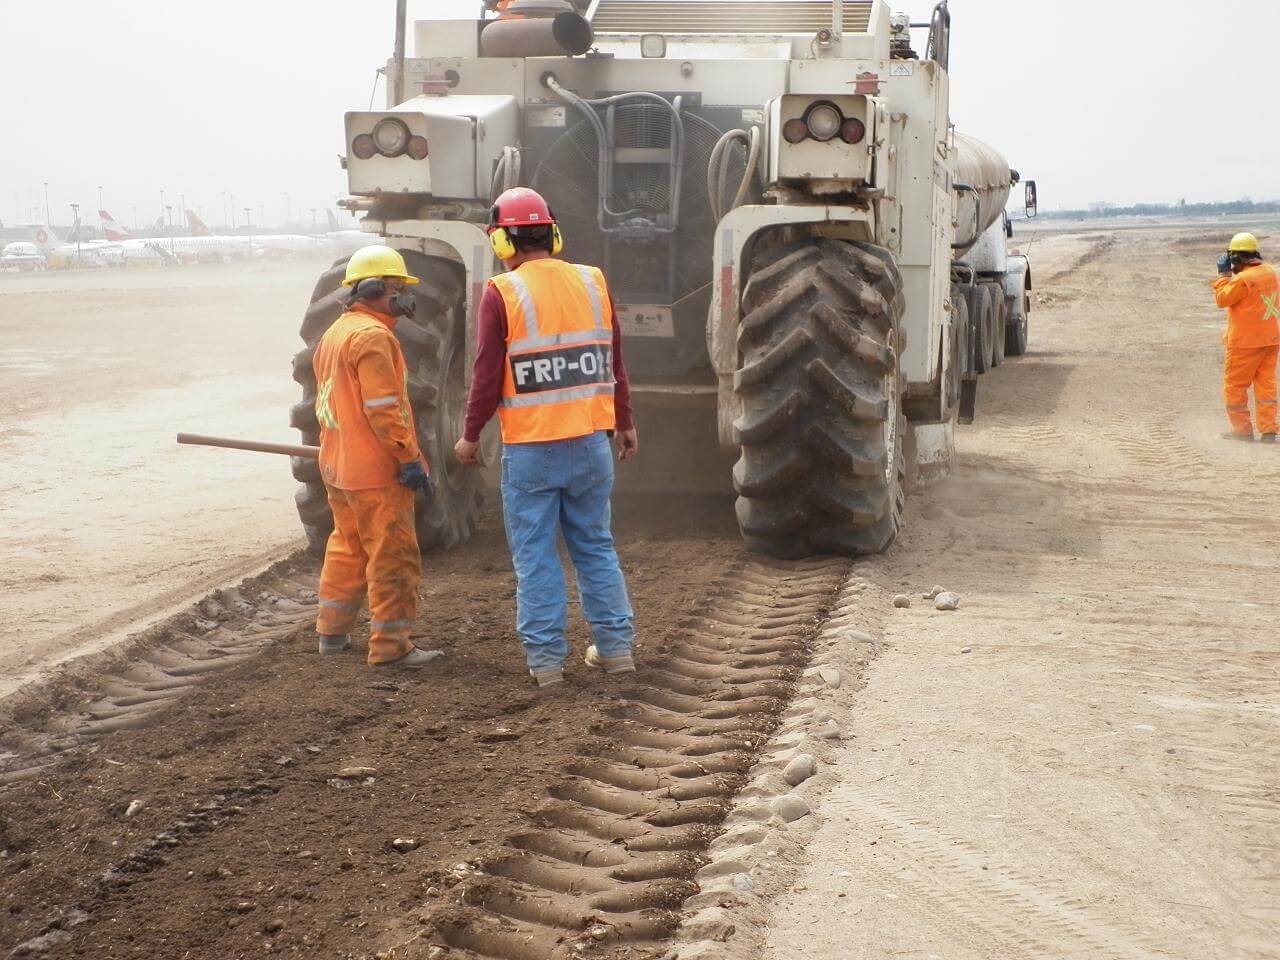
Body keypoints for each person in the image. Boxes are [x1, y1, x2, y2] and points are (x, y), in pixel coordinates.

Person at [453, 187, 638, 688]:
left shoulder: (502, 292)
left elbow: (487, 374)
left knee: (536, 558)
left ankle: (547, 666)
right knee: (596, 548)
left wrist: (470, 435)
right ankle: (617, 652)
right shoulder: (592, 280)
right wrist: (624, 421)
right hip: (591, 444)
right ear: (552, 233)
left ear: (502, 243)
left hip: (533, 451)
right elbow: (612, 359)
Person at [312, 245, 441, 667]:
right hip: (374, 471)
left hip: (338, 467)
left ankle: (331, 634)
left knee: (347, 547)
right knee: (394, 555)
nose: (404, 296)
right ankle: (390, 648)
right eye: (399, 288)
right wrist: (407, 457)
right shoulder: (373, 337)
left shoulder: (335, 333)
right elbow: (384, 407)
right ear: (377, 288)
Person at [1214, 232, 1280, 442]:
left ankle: (1242, 431)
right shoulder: (1269, 272)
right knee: (1266, 386)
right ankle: (1269, 431)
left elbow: (1222, 299)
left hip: (1245, 344)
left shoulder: (1243, 279)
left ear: (1236, 257)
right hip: (1270, 340)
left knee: (1235, 387)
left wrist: (1224, 275)